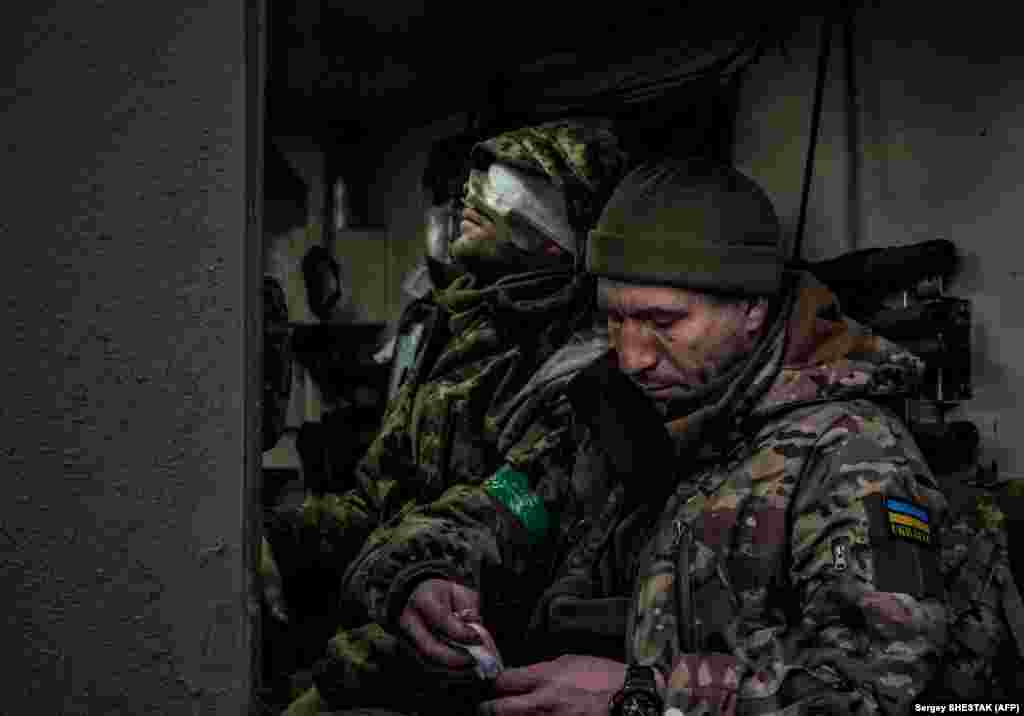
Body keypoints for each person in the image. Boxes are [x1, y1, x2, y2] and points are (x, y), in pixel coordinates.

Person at [340, 157, 949, 715]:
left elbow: (881, 695)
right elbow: (494, 509)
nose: (631, 356)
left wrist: (641, 697)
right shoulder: (613, 420)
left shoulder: (854, 455)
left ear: (752, 310)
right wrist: (424, 576)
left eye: (663, 322)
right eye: (615, 318)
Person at [268, 119, 629, 714]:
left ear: (564, 230)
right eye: (479, 177)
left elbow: (510, 512)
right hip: (376, 637)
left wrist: (410, 582)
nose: (474, 192)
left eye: (514, 184)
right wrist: (271, 539)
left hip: (477, 674)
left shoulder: (591, 364)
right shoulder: (452, 328)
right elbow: (377, 498)